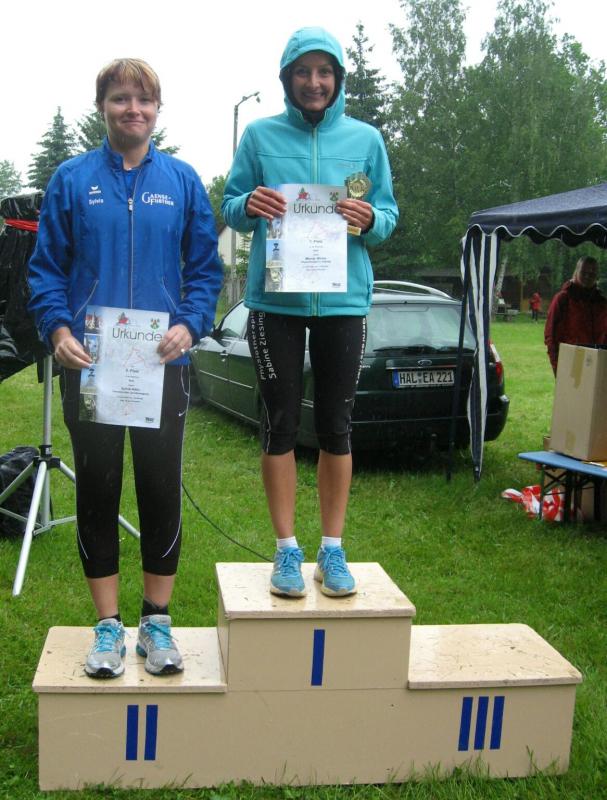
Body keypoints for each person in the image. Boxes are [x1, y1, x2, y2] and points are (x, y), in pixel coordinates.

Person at [28, 59, 222, 677]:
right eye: (119, 98)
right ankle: (108, 627)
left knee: (160, 487)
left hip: (163, 364)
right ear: (102, 107)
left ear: (157, 109)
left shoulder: (183, 181)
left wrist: (190, 323)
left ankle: (156, 623)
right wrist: (58, 329)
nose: (132, 109)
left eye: (143, 100)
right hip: (91, 363)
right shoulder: (71, 180)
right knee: (99, 487)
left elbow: (205, 269)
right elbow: (45, 268)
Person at [222, 28, 398, 599]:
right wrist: (249, 204)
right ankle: (286, 549)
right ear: (287, 78)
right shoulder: (260, 134)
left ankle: (332, 548)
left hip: (343, 301)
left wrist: (370, 219)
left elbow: (388, 215)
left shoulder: (366, 139)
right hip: (276, 302)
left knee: (335, 427)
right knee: (279, 423)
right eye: (303, 71)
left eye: (324, 72)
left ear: (338, 79)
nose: (314, 82)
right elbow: (230, 204)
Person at [544, 256, 607, 375]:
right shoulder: (563, 299)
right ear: (576, 271)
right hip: (571, 364)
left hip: (598, 365)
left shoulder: (601, 303)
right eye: (584, 272)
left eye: (592, 273)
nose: (587, 276)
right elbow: (550, 335)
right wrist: (557, 368)